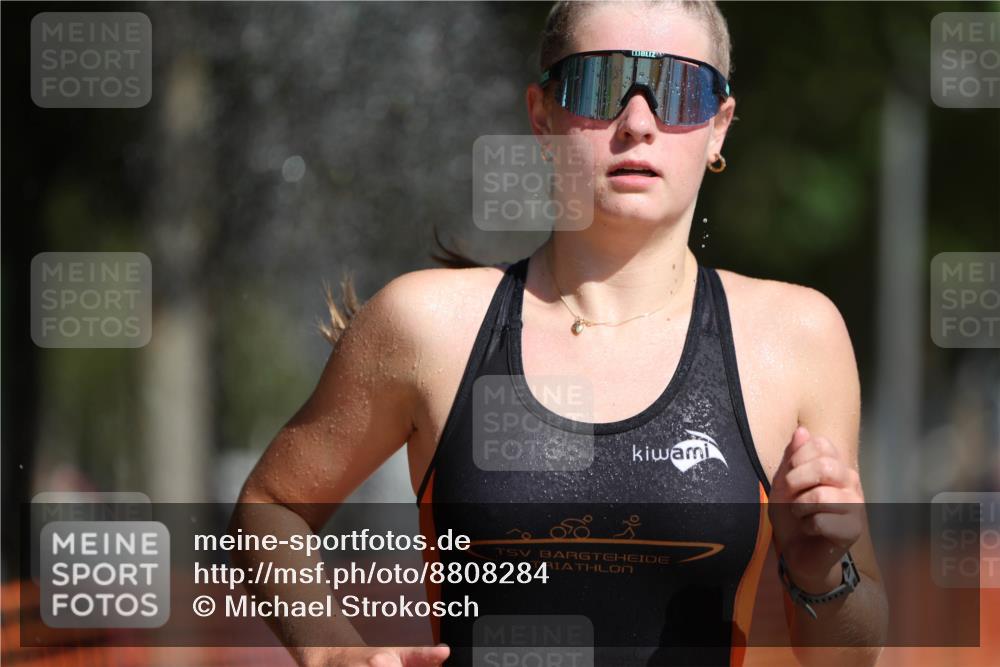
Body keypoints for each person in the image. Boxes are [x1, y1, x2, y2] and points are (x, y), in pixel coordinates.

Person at [235, 1, 889, 665]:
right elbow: (269, 508)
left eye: (680, 90)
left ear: (718, 127)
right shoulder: (431, 326)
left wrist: (822, 573)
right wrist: (332, 653)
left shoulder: (794, 339)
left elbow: (851, 656)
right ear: (542, 115)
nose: (638, 123)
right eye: (602, 86)